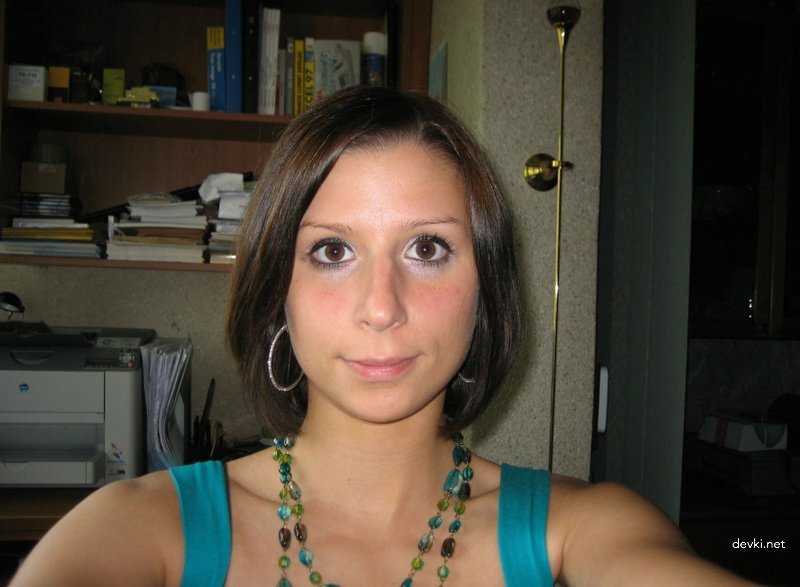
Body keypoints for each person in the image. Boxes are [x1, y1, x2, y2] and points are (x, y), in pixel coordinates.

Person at [11, 86, 755, 587]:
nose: (380, 307)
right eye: (332, 250)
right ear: (278, 291)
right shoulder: (140, 529)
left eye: (427, 248)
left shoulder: (583, 531)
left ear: (486, 292)